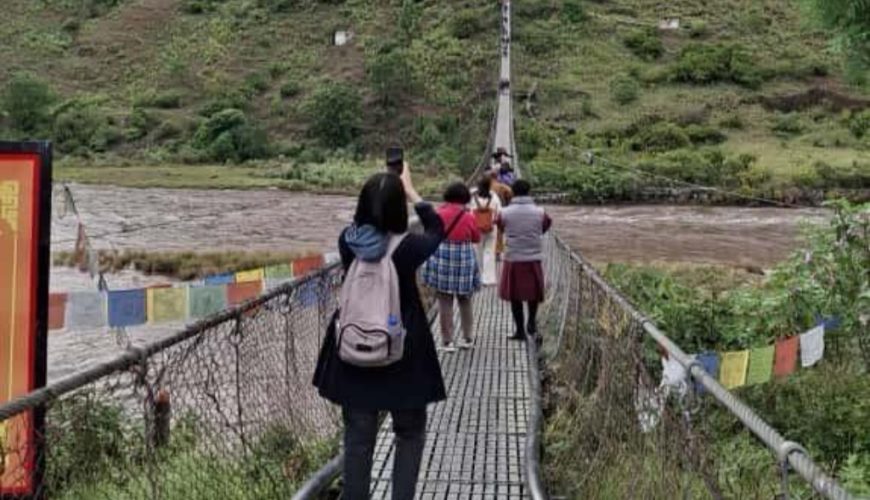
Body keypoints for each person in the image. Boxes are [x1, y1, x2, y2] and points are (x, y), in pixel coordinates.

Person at [313, 165, 446, 500]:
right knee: (409, 433)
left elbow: (360, 227)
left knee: (358, 440)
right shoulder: (410, 247)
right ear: (398, 208)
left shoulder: (347, 242)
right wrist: (413, 192)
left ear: (362, 205)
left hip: (354, 349)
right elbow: (437, 228)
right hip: (404, 353)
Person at [423, 182, 481, 352]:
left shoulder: (438, 213)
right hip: (463, 257)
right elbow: (476, 238)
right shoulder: (469, 216)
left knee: (444, 301)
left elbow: (429, 234)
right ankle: (467, 338)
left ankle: (447, 342)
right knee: (465, 299)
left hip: (442, 256)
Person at [497, 179, 552, 340]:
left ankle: (520, 331)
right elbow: (545, 226)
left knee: (515, 296)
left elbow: (500, 226)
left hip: (513, 257)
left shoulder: (504, 212)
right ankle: (532, 323)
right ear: (529, 192)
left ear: (513, 193)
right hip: (533, 257)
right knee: (533, 294)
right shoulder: (540, 212)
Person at [471, 176, 502, 286]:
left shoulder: (472, 197)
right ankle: (488, 279)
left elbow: (468, 212)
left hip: (475, 228)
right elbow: (499, 212)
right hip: (491, 228)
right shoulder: (494, 197)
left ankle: (478, 277)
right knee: (489, 252)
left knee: (477, 252)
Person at [489, 169, 513, 259]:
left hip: (487, 211)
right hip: (500, 211)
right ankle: (498, 251)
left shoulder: (485, 187)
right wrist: (507, 203)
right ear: (497, 177)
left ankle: (488, 250)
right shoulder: (502, 187)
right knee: (499, 231)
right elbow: (510, 193)